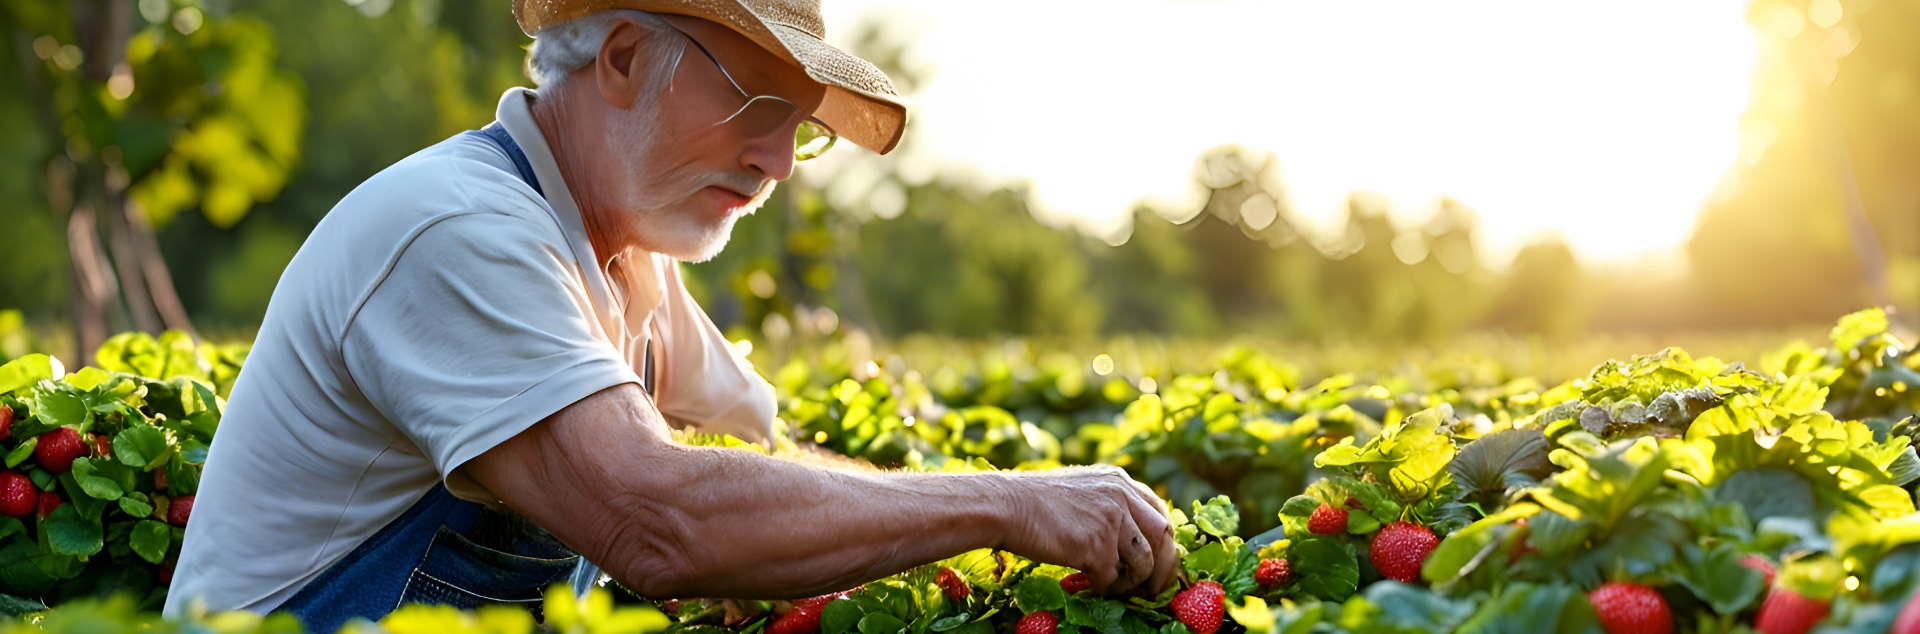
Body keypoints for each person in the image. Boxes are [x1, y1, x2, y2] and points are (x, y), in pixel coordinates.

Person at [164, 0, 1177, 630]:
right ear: (621, 59)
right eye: (757, 106)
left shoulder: (623, 254)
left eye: (799, 132)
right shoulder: (461, 229)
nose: (779, 163)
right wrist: (1006, 502)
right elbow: (658, 516)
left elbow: (747, 452)